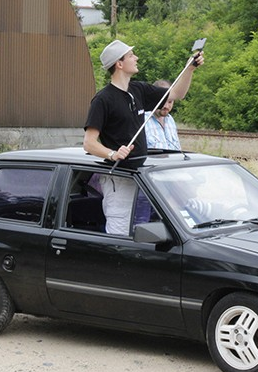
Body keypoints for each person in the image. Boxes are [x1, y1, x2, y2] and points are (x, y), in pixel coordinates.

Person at [83, 39, 203, 234]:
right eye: (131, 55)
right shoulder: (102, 99)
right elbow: (89, 144)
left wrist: (189, 69)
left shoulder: (138, 89)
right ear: (119, 64)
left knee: (144, 231)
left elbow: (176, 94)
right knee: (120, 233)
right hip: (120, 180)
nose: (136, 58)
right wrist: (113, 154)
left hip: (142, 178)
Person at [144, 79, 181, 150]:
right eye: (163, 102)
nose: (166, 106)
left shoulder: (170, 119)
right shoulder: (142, 120)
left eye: (170, 102)